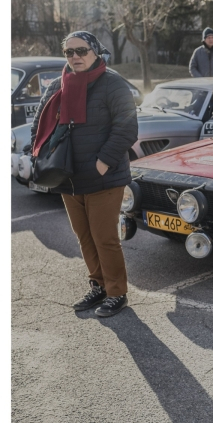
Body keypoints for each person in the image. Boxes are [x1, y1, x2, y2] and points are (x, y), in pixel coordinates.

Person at [31, 31, 138, 317]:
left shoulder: (113, 84)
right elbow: (39, 125)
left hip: (104, 176)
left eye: (81, 51)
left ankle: (117, 293)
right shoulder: (58, 85)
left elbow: (127, 128)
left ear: (96, 51)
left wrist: (102, 162)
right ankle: (98, 285)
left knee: (104, 237)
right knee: (84, 236)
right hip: (68, 177)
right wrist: (41, 155)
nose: (75, 57)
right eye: (69, 52)